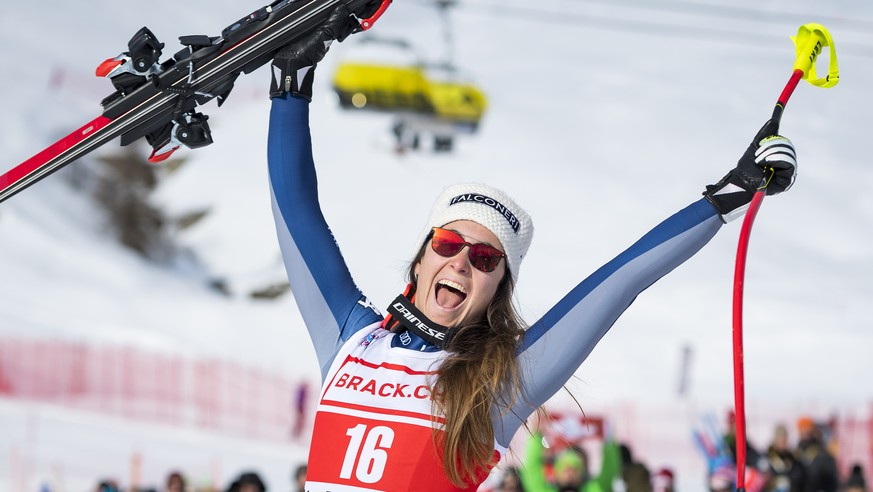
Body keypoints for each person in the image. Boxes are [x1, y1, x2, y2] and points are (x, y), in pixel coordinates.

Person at [265, 6, 798, 492]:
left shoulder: (498, 384)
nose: (460, 261)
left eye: (484, 258)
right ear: (422, 258)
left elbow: (619, 281)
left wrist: (728, 196)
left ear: (498, 288)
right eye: (450, 242)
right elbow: (296, 212)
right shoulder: (351, 338)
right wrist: (291, 82)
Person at [519, 430, 620, 492]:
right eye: (566, 470)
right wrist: (536, 436)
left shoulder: (594, 489)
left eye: (574, 470)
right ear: (558, 474)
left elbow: (609, 471)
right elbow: (532, 471)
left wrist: (609, 440)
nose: (570, 475)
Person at [794, 417, 838, 492]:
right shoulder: (796, 452)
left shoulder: (821, 452)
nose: (805, 432)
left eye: (807, 429)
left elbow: (831, 477)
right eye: (802, 429)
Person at [763, 423, 805, 492]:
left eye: (784, 438)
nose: (782, 441)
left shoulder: (793, 459)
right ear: (775, 439)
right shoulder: (767, 457)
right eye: (780, 438)